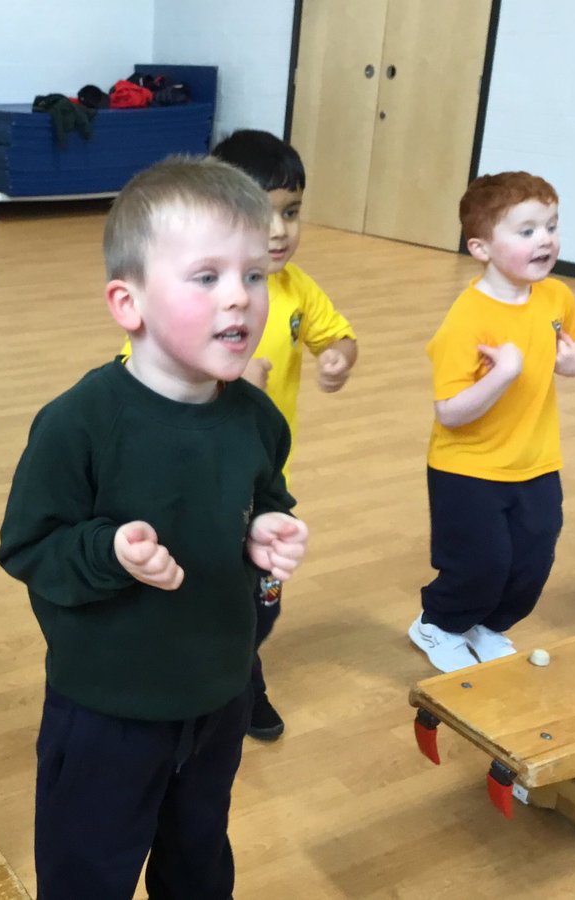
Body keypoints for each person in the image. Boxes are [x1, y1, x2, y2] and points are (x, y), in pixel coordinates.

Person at [0, 156, 309, 900]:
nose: (240, 298)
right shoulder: (79, 424)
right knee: (87, 872)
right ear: (127, 302)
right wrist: (108, 551)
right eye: (206, 277)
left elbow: (265, 494)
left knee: (198, 857)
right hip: (108, 709)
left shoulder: (255, 417)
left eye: (254, 275)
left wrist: (265, 527)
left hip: (218, 692)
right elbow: (29, 548)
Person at [210, 129, 358, 740]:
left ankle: (243, 668)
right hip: (205, 487)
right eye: (260, 214)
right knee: (216, 594)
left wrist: (339, 358)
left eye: (291, 213)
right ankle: (227, 687)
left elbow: (338, 335)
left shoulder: (297, 291)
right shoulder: (205, 293)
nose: (279, 231)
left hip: (267, 485)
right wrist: (228, 379)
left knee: (263, 600)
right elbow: (138, 377)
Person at [410, 171, 575, 673]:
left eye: (551, 226)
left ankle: (486, 626)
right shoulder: (467, 318)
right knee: (481, 564)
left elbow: (573, 349)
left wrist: (572, 363)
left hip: (536, 460)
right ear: (481, 247)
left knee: (533, 562)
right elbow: (450, 410)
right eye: (526, 230)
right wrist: (503, 373)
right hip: (467, 468)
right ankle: (437, 624)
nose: (545, 239)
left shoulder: (556, 298)